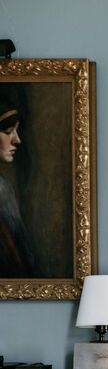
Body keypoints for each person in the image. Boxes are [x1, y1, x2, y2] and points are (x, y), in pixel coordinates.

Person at [0, 103, 36, 277]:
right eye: (8, 132)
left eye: (16, 131)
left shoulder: (4, 186)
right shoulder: (2, 188)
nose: (17, 139)